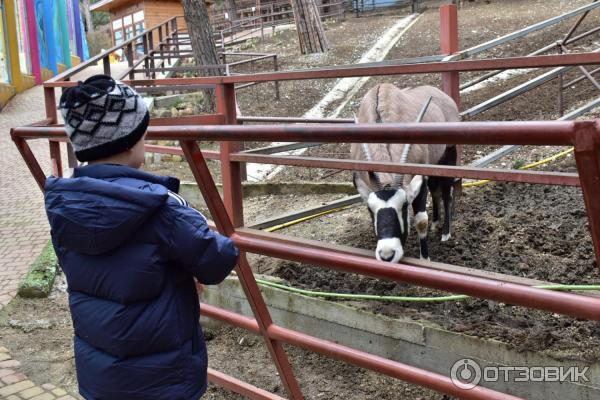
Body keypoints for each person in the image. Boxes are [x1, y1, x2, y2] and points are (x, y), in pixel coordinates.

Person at [44, 74, 239, 399]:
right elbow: (217, 261)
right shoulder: (159, 208)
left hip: (101, 377)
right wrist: (196, 221)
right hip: (165, 381)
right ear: (131, 140)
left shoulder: (64, 205)